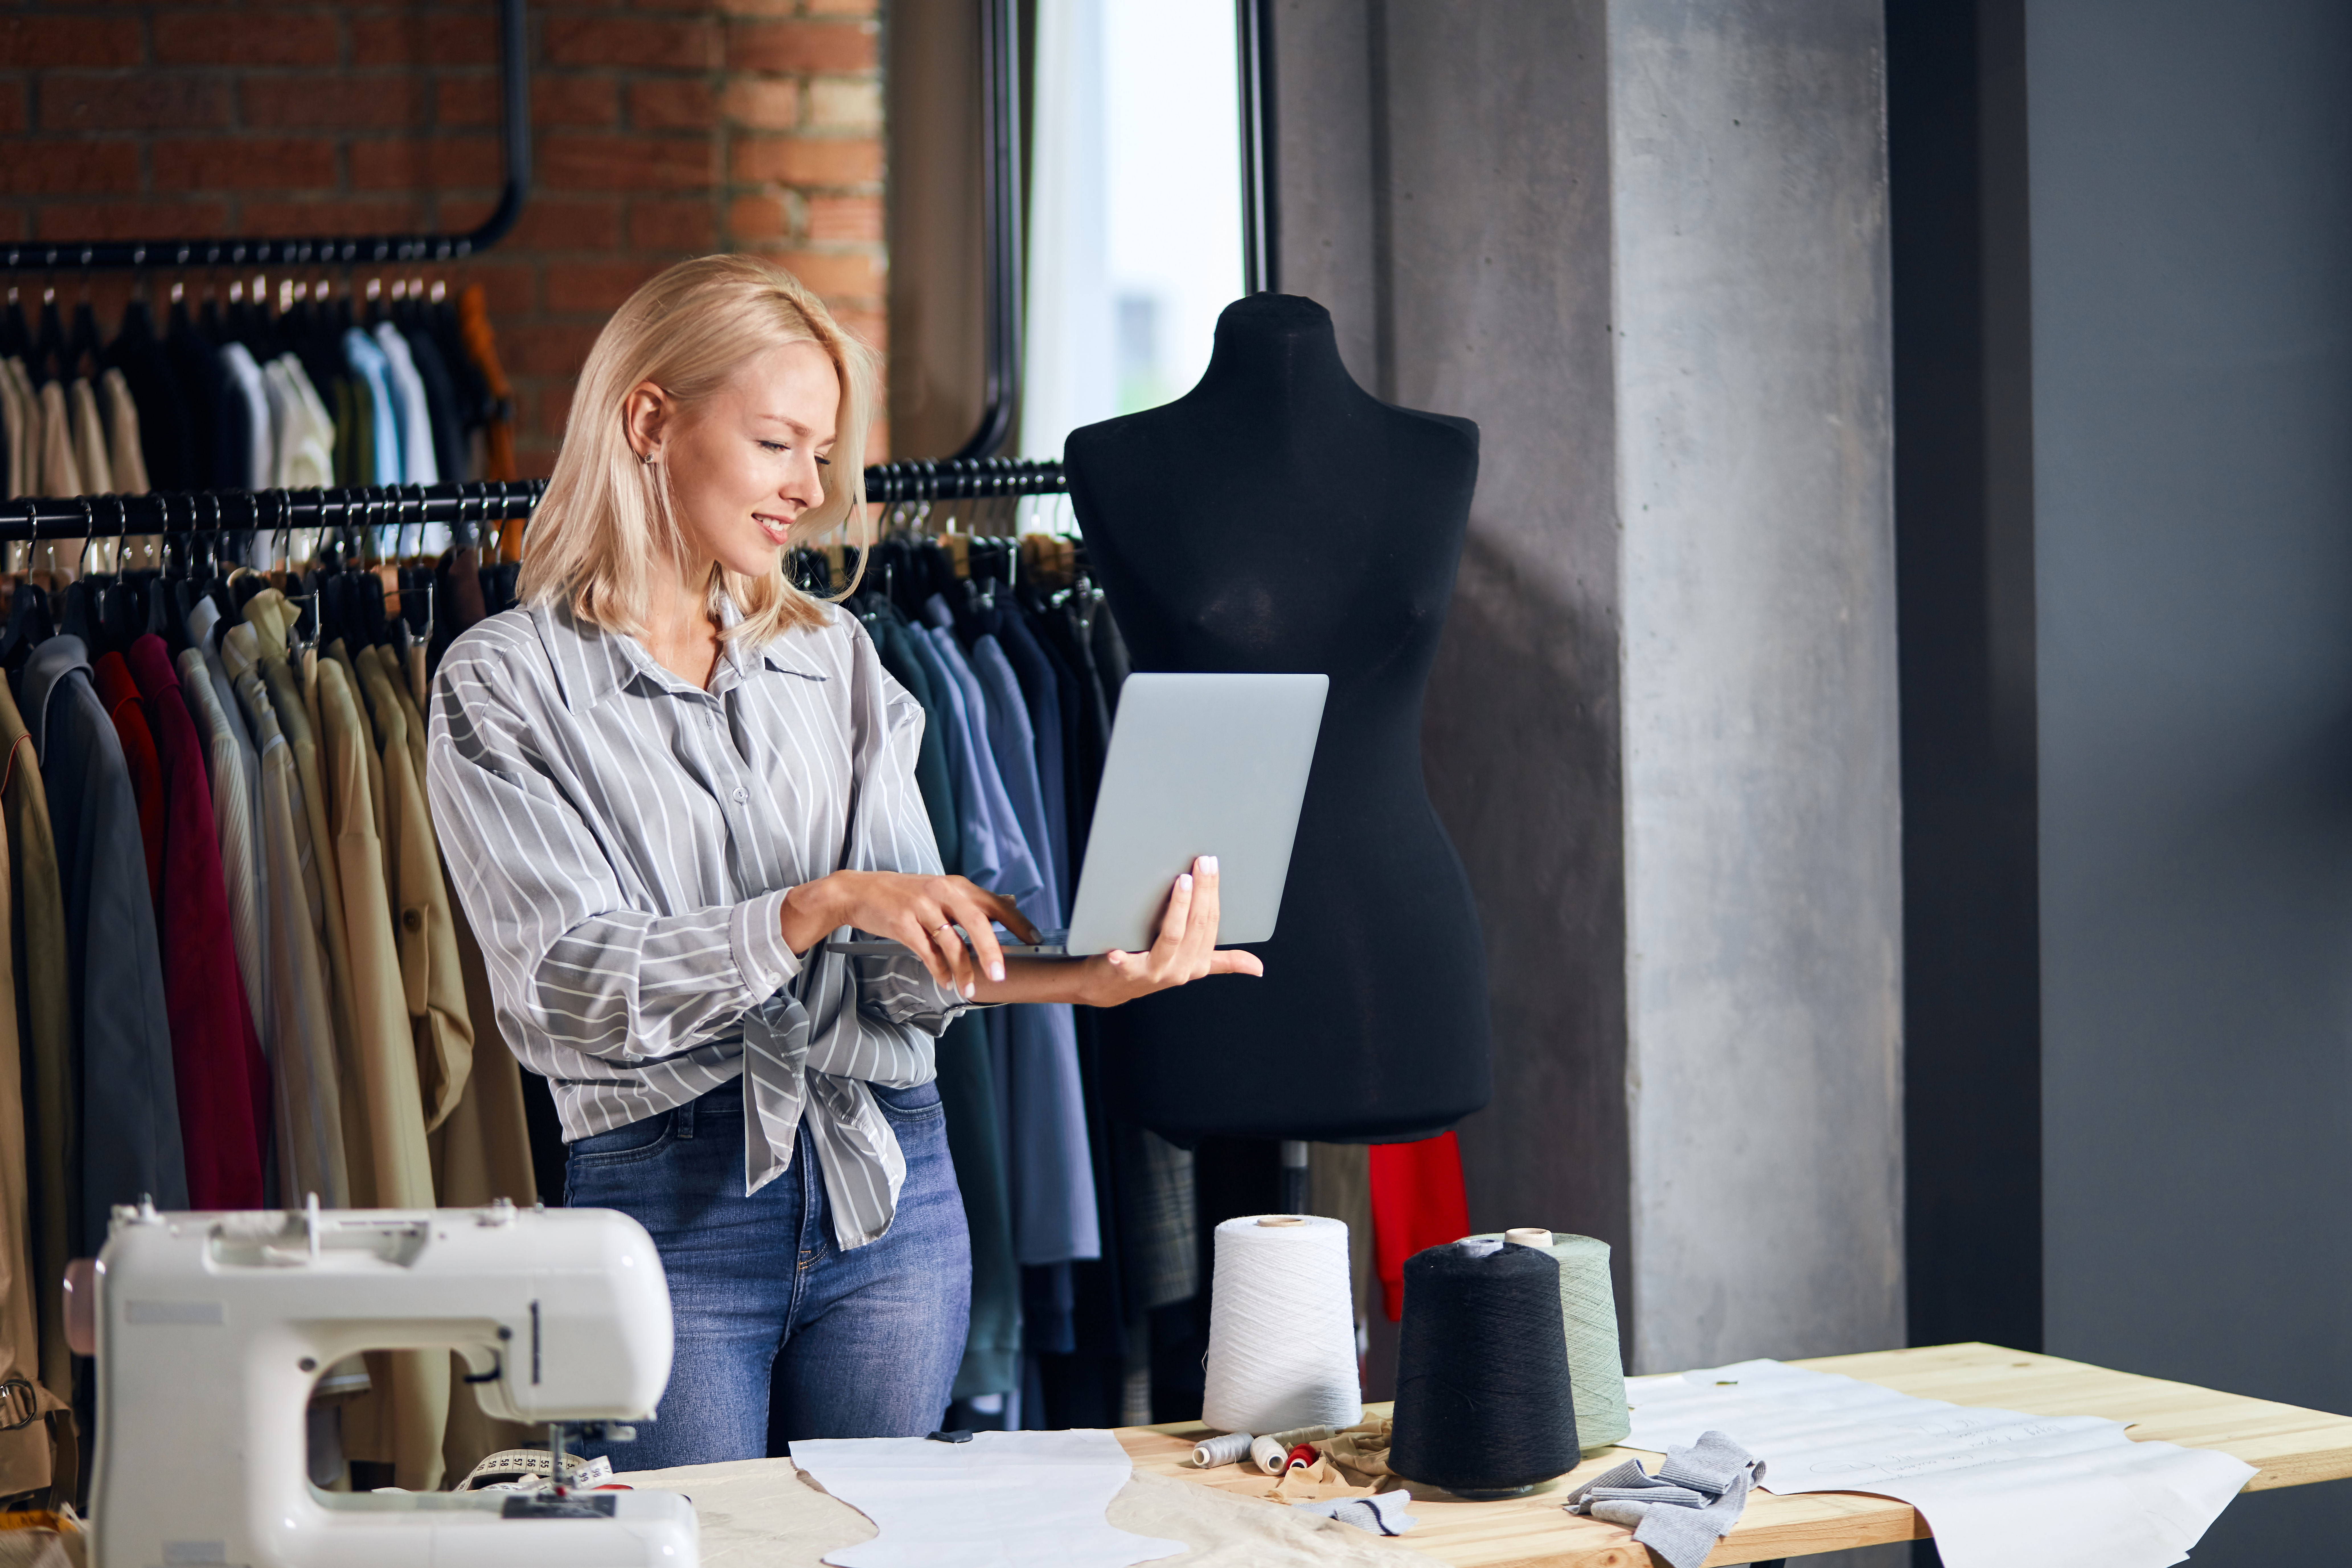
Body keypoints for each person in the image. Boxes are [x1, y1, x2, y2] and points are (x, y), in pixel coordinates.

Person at [424, 255, 1258, 1470]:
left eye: (821, 455)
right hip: (667, 1208)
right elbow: (565, 988)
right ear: (650, 421)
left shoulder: (835, 658)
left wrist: (1080, 980)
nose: (809, 493)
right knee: (694, 1558)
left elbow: (899, 973)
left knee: (874, 1551)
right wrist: (814, 906)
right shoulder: (504, 683)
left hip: (894, 1182)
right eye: (779, 444)